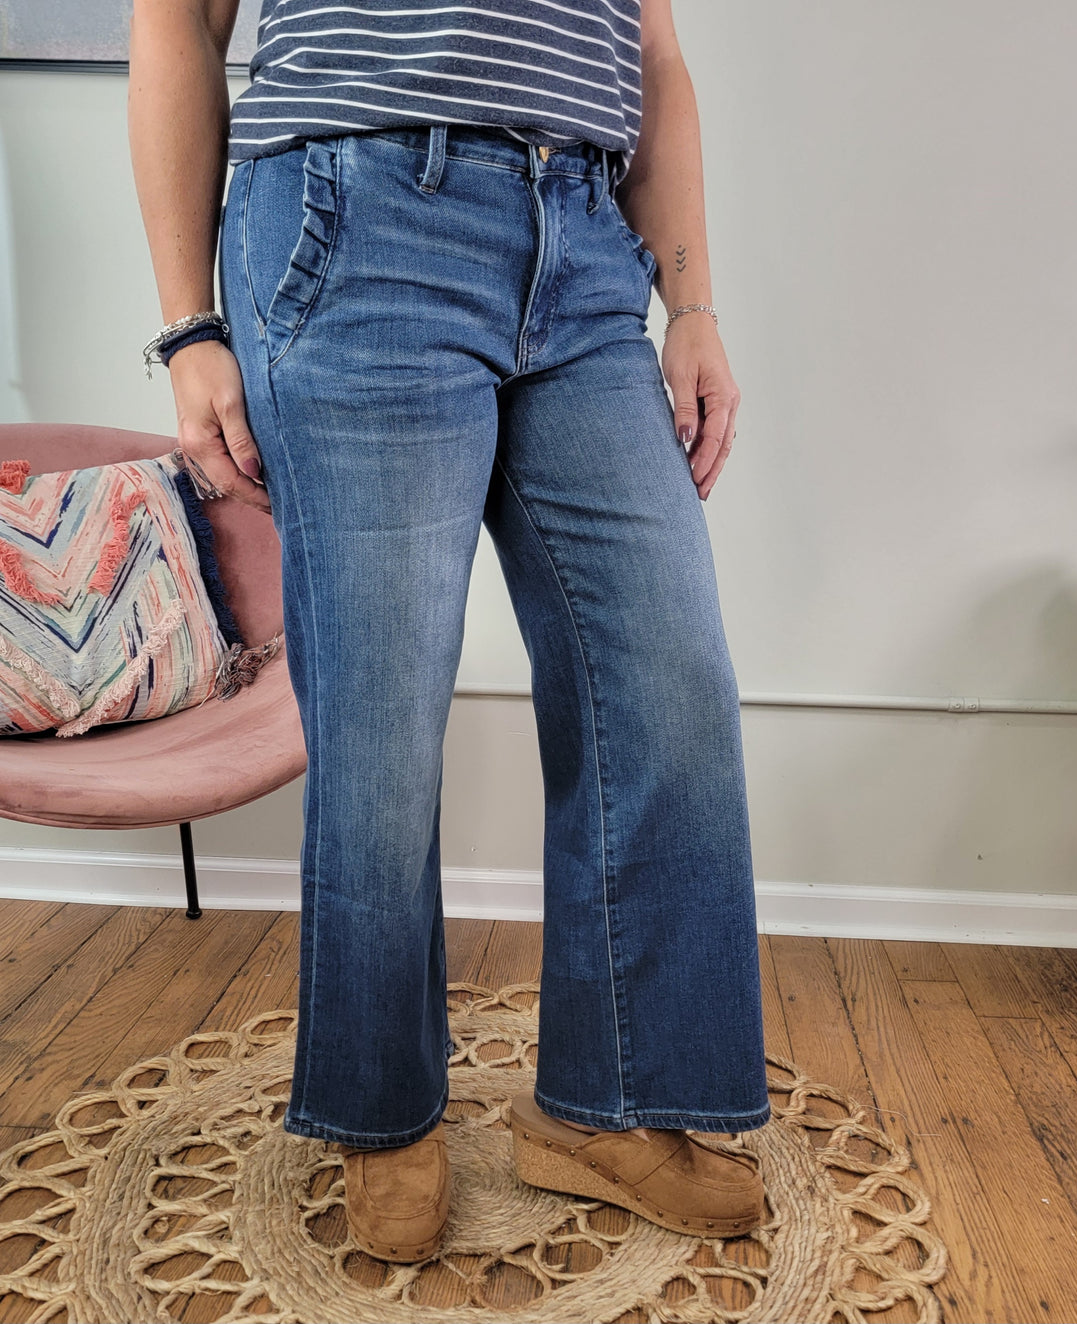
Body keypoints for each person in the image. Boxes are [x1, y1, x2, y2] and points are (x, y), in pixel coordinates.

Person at [129, 0, 772, 1265]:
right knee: (382, 709)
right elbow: (176, 23)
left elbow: (653, 51)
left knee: (667, 678)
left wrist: (692, 303)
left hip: (587, 240)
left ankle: (612, 1104)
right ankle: (383, 1116)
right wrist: (188, 324)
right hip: (352, 216)